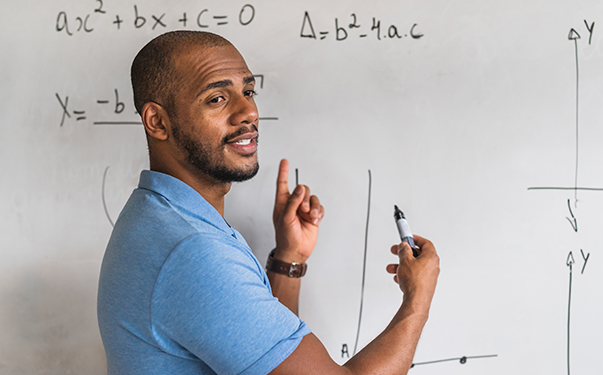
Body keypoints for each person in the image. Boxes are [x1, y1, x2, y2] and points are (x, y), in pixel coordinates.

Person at [97, 30, 440, 375]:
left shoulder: (158, 215)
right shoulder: (193, 251)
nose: (248, 111)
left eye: (247, 92)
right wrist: (418, 299)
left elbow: (268, 362)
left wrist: (289, 258)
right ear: (158, 122)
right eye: (217, 98)